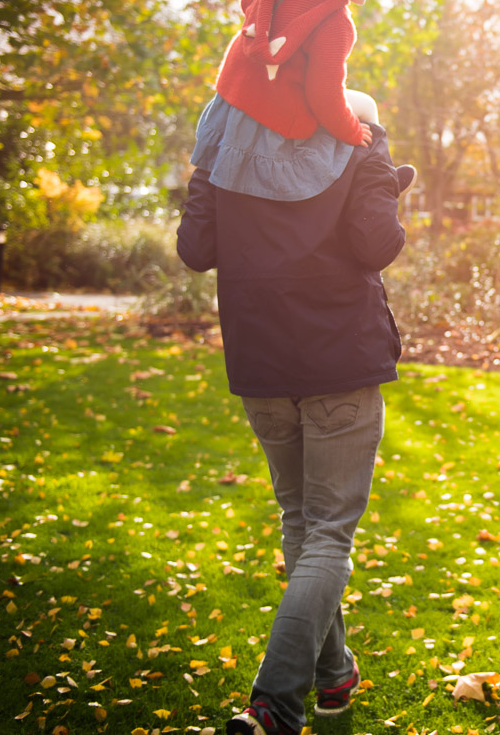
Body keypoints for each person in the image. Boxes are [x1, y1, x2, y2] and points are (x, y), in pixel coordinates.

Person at [177, 117, 407, 729]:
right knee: (328, 533)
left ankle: (335, 676)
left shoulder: (229, 148)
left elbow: (194, 250)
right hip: (339, 360)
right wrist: (378, 170)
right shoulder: (357, 138)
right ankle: (275, 702)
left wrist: (208, 169)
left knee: (304, 523)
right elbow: (376, 244)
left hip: (262, 364)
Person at [191, 0, 417, 204]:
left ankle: (380, 175)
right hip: (275, 119)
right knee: (363, 111)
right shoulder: (335, 23)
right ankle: (378, 182)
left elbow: (247, 0)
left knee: (350, 108)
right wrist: (351, 131)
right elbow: (324, 96)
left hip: (232, 106)